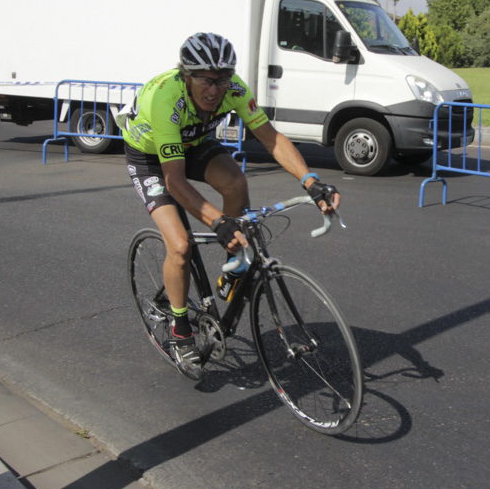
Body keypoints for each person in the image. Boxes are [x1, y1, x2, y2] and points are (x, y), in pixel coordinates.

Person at [122, 32, 340, 374]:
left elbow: (271, 138)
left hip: (192, 144)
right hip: (151, 158)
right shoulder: (166, 99)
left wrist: (311, 182)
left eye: (221, 80)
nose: (214, 90)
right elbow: (174, 181)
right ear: (186, 76)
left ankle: (233, 266)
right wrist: (217, 221)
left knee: (236, 181)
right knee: (180, 246)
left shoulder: (235, 89)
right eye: (206, 81)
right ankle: (180, 331)